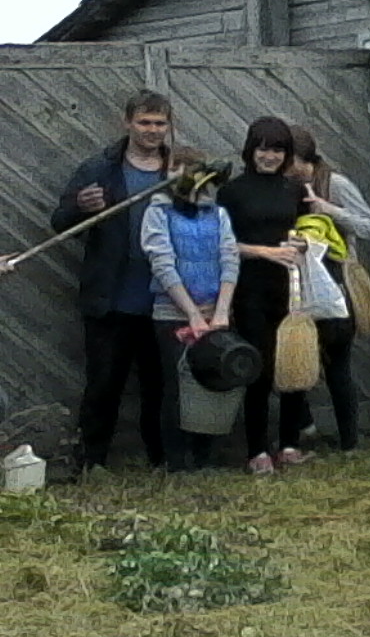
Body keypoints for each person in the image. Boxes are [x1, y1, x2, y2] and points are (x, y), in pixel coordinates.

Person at [50, 91, 175, 470]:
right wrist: (80, 207)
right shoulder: (100, 169)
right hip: (111, 297)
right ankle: (92, 463)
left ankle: (163, 461)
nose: (152, 130)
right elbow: (60, 222)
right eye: (144, 122)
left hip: (166, 297)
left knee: (160, 386)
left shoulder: (178, 171)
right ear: (127, 123)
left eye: (159, 123)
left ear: (169, 126)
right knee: (104, 385)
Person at [278, 124, 370, 453]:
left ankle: (350, 443)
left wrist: (329, 209)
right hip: (295, 285)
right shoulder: (281, 186)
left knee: (338, 365)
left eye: (289, 161)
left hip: (336, 284)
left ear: (304, 158)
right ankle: (301, 432)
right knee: (294, 358)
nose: (284, 168)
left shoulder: (334, 183)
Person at [216, 116, 308, 475]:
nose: (269, 156)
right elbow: (223, 244)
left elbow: (307, 230)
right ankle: (257, 449)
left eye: (278, 150)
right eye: (263, 149)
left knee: (293, 360)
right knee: (259, 368)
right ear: (250, 150)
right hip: (250, 289)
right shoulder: (232, 192)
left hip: (291, 288)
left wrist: (303, 243)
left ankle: (290, 444)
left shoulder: (294, 190)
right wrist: (266, 252)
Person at [139, 151, 240, 473]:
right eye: (174, 169)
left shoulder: (218, 214)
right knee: (178, 387)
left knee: (214, 380)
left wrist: (221, 312)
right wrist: (192, 315)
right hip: (172, 314)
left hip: (216, 313)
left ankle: (205, 458)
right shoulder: (157, 212)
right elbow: (162, 264)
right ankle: (177, 462)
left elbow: (229, 258)